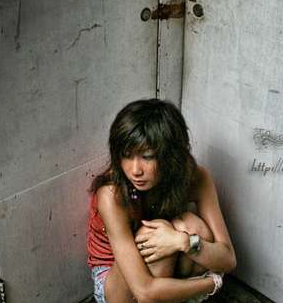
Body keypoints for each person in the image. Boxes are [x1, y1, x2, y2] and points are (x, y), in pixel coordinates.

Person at [87, 98, 236, 303]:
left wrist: (182, 242)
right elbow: (144, 292)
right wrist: (212, 283)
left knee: (192, 228)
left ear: (170, 155)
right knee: (152, 236)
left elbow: (228, 259)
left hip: (159, 273)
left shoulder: (195, 177)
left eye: (147, 156)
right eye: (126, 155)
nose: (135, 170)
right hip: (116, 286)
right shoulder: (112, 194)